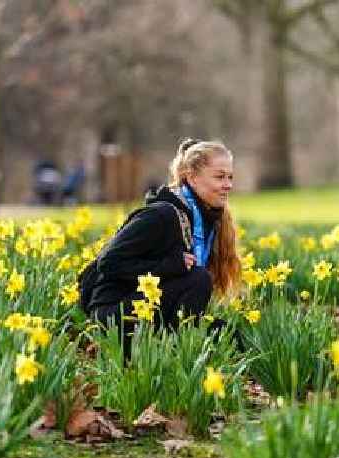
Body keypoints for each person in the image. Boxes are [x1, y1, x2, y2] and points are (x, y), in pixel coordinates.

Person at [80, 138, 242, 351]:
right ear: (192, 178)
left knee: (228, 336)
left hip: (145, 309)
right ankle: (159, 353)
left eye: (230, 177)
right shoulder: (161, 215)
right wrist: (170, 265)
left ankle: (173, 351)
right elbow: (108, 263)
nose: (228, 185)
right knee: (198, 279)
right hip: (112, 314)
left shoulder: (206, 220)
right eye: (220, 177)